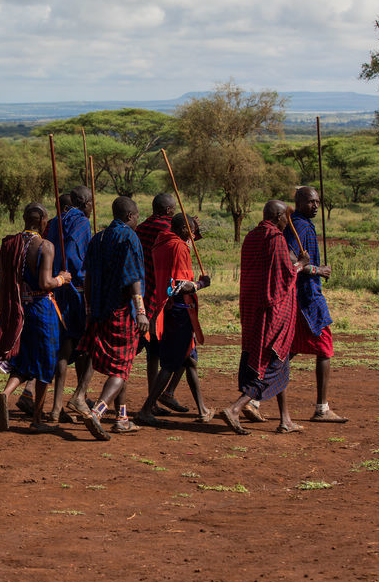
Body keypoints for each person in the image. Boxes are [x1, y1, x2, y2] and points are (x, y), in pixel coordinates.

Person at [221, 200, 307, 435]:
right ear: (278, 216)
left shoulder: (251, 237)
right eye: (284, 219)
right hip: (274, 311)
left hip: (252, 308)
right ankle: (235, 408)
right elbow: (284, 275)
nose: (285, 223)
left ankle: (285, 419)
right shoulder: (276, 239)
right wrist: (301, 264)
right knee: (270, 361)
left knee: (281, 362)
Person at [73, 196, 149, 440]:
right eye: (137, 216)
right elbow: (133, 279)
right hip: (122, 310)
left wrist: (89, 308)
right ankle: (98, 411)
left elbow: (88, 278)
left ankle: (122, 418)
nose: (137, 220)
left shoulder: (99, 237)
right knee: (121, 368)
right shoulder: (129, 237)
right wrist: (141, 311)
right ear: (129, 216)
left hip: (99, 309)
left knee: (104, 357)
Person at [0, 203, 71, 432]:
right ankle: (37, 418)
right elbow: (45, 283)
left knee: (24, 357)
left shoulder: (8, 244)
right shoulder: (45, 246)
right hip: (41, 308)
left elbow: (4, 280)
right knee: (46, 362)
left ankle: (5, 394)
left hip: (19, 308)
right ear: (43, 221)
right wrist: (63, 279)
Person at [133, 213, 213, 426]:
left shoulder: (162, 244)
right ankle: (146, 408)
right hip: (179, 309)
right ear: (184, 229)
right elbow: (178, 286)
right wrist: (201, 284)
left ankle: (203, 409)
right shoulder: (178, 247)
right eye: (192, 229)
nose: (194, 234)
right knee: (170, 364)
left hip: (168, 308)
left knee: (190, 360)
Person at [26, 186, 92, 422]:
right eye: (91, 203)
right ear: (84, 202)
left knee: (65, 347)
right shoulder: (82, 222)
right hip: (75, 290)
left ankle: (56, 408)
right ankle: (78, 397)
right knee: (85, 344)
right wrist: (84, 275)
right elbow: (75, 257)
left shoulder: (54, 222)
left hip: (56, 289)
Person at [285, 186, 347, 423]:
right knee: (324, 348)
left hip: (300, 296)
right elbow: (289, 258)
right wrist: (316, 269)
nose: (316, 206)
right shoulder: (299, 226)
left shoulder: (300, 224)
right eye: (311, 202)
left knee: (288, 350)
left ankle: (254, 400)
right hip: (307, 297)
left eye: (318, 202)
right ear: (299, 202)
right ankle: (322, 408)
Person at [135, 193, 185, 413]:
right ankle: (157, 398)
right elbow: (178, 248)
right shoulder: (166, 229)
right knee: (166, 351)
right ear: (168, 212)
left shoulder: (142, 227)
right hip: (160, 295)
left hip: (141, 292)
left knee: (151, 353)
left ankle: (153, 398)